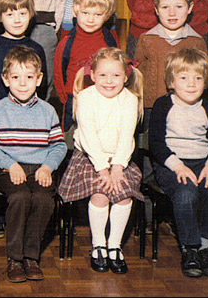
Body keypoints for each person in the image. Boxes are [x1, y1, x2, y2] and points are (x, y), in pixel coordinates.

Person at [0, 46, 66, 283]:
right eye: (15, 77)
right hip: (9, 169)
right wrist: (10, 164)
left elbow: (58, 146)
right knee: (19, 198)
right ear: (5, 80)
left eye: (29, 77)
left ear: (39, 79)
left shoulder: (48, 111)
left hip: (40, 169)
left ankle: (31, 256)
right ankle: (15, 259)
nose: (22, 83)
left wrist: (48, 166)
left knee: (42, 199)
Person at [57, 47, 144, 275]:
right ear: (92, 75)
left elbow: (127, 136)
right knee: (101, 194)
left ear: (125, 78)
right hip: (88, 157)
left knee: (123, 196)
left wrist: (117, 167)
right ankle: (98, 246)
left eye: (116, 76)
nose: (109, 81)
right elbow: (89, 137)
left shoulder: (130, 100)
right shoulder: (85, 97)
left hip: (120, 158)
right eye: (103, 75)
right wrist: (103, 169)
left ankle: (114, 246)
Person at [148, 48, 208, 278]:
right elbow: (156, 143)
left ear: (205, 82)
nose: (191, 84)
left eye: (198, 78)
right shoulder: (163, 104)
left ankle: (205, 246)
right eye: (184, 78)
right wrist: (178, 166)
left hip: (203, 163)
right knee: (186, 193)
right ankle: (189, 248)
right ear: (171, 81)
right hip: (171, 164)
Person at [52, 0, 118, 133]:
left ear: (107, 16)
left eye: (97, 14)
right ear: (75, 11)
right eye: (85, 13)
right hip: (72, 99)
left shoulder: (110, 41)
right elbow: (58, 72)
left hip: (101, 98)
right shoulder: (68, 42)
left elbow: (118, 69)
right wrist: (64, 97)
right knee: (69, 136)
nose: (90, 19)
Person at [136, 0, 208, 113]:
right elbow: (138, 77)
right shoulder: (147, 39)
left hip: (187, 107)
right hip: (151, 109)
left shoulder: (197, 42)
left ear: (190, 8)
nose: (172, 13)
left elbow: (203, 79)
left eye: (179, 6)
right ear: (156, 9)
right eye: (165, 7)